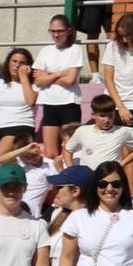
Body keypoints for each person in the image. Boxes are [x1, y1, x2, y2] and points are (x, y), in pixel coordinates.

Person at [33, 16, 88, 160]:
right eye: (53, 31)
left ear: (69, 31)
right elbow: (38, 81)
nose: (56, 35)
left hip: (69, 104)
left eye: (60, 31)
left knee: (69, 150)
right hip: (49, 105)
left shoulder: (75, 49)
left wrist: (48, 75)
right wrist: (58, 74)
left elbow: (70, 80)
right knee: (50, 153)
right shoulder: (45, 51)